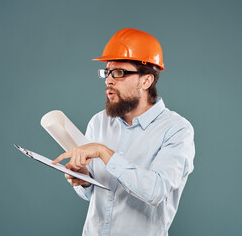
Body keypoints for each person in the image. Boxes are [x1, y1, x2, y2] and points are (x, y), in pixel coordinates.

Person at [52, 28, 195, 236]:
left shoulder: (176, 130)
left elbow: (156, 191)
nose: (108, 80)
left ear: (146, 81)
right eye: (107, 72)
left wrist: (105, 153)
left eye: (119, 73)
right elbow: (94, 194)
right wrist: (83, 180)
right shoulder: (99, 122)